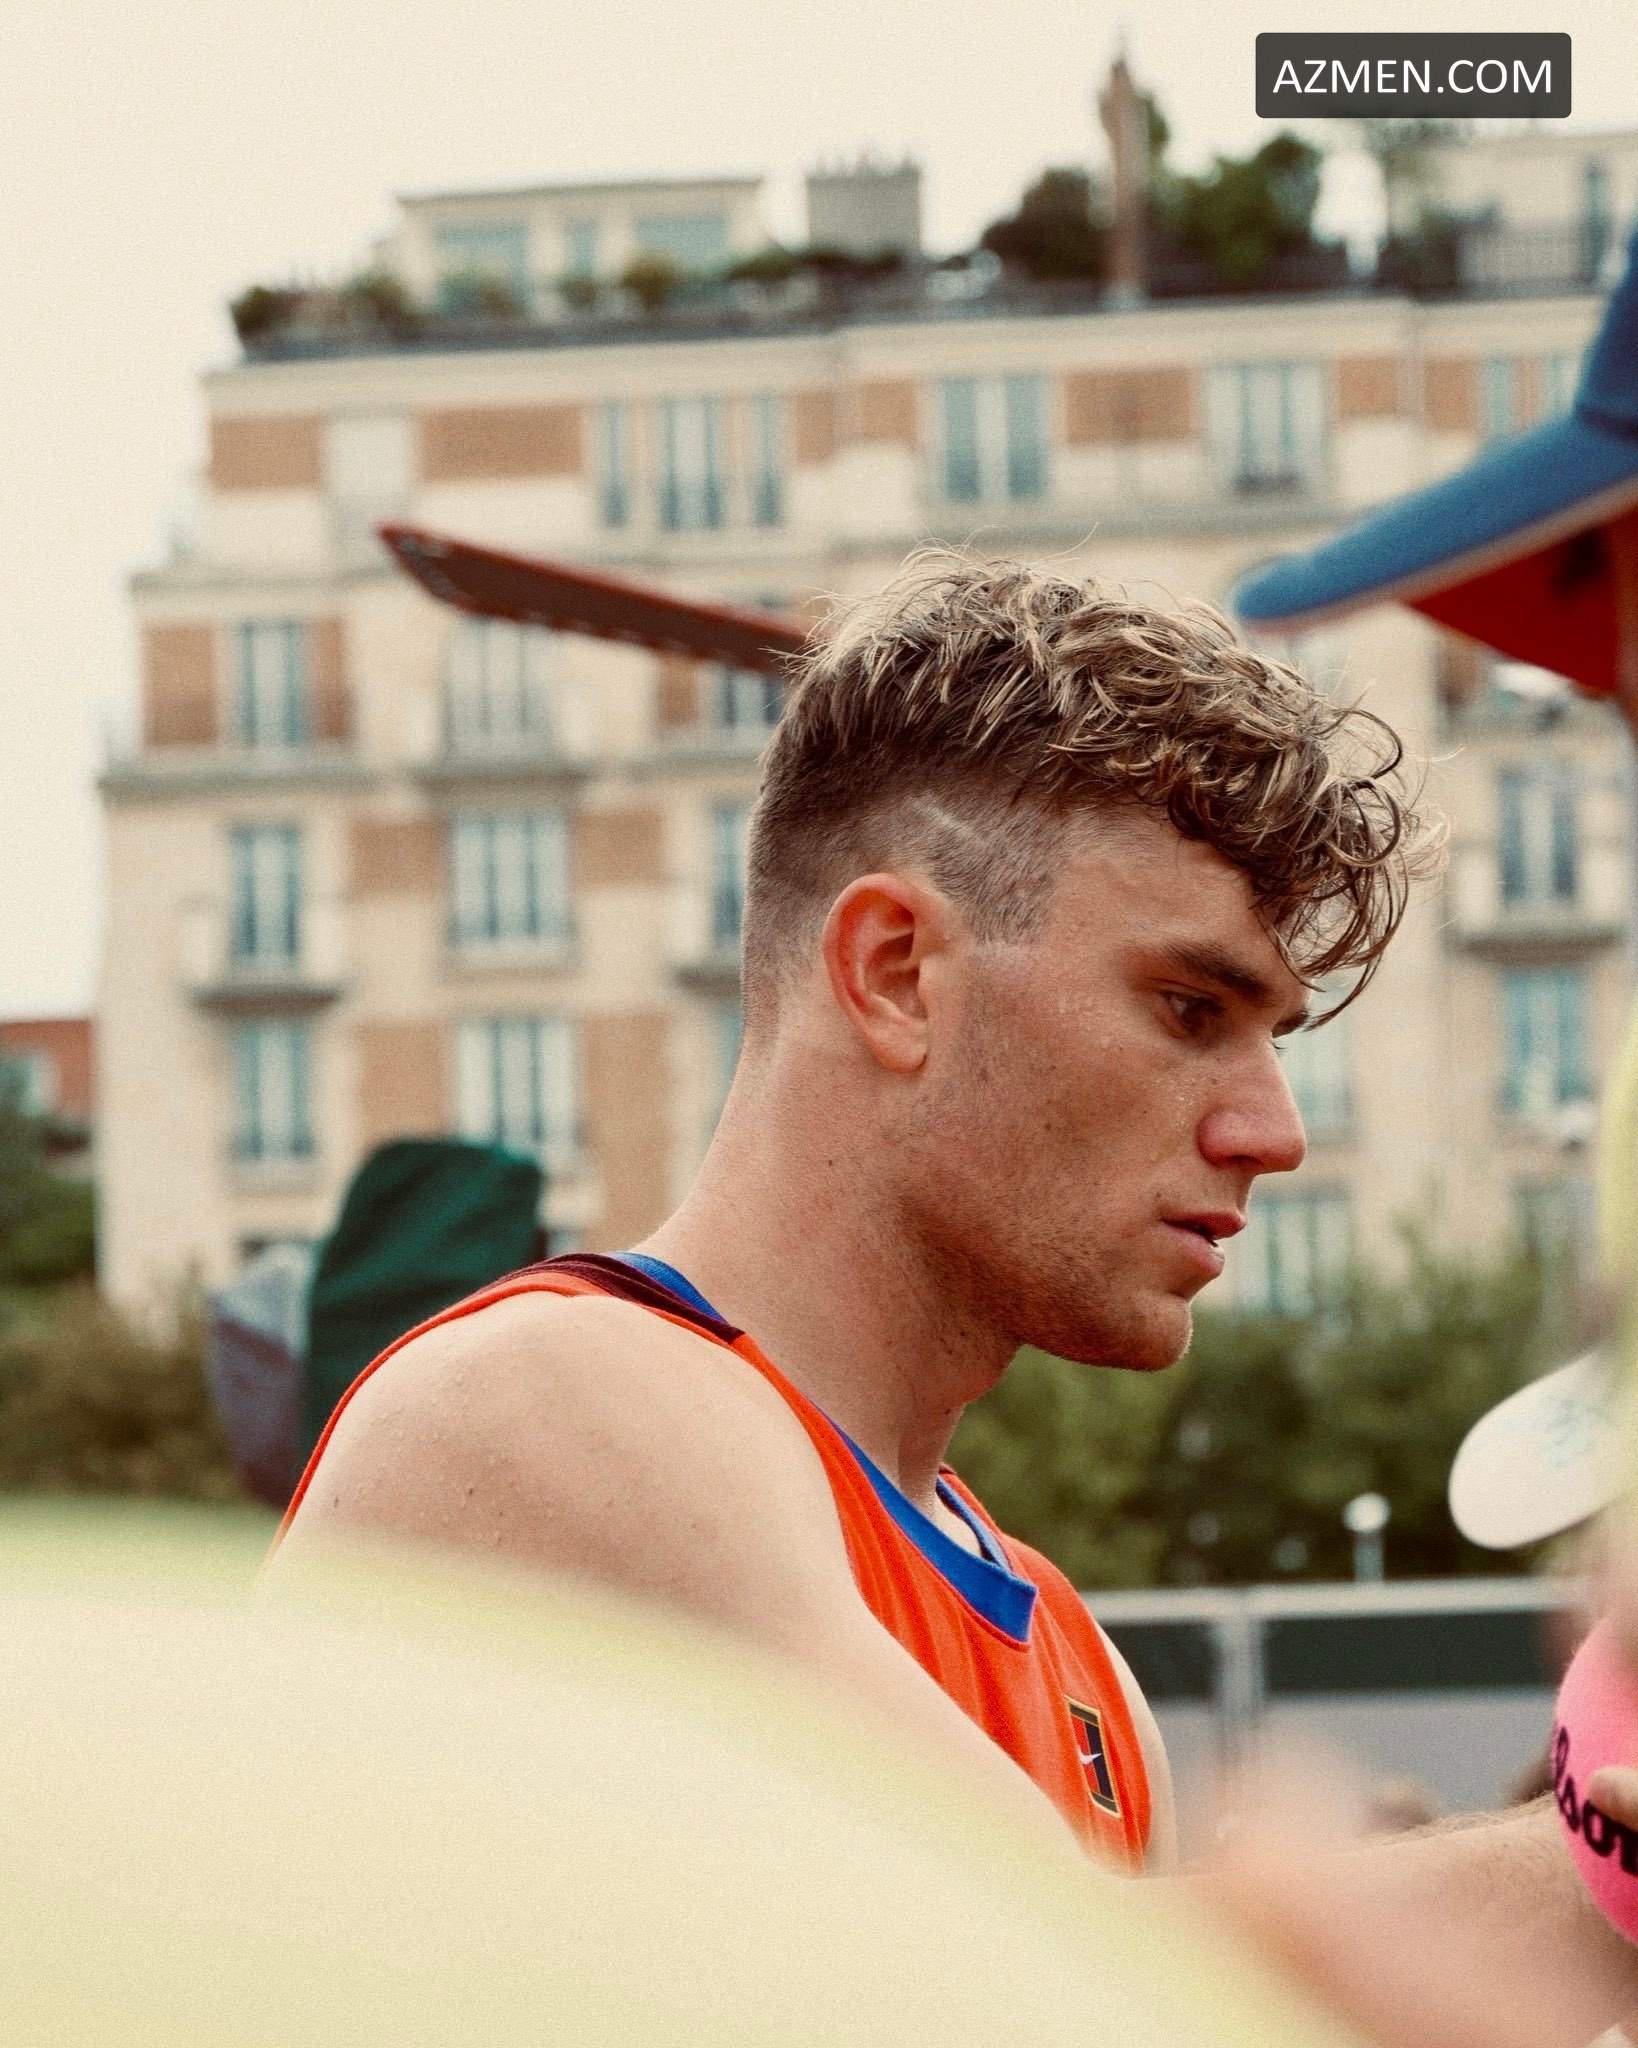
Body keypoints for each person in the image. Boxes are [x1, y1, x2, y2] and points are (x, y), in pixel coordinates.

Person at [269, 558, 1638, 2039]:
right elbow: (1063, 2005)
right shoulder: (550, 1406)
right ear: (895, 972)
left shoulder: (1073, 1661)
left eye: (1275, 1037)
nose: (1273, 1130)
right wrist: (1604, 1864)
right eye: (1190, 1009)